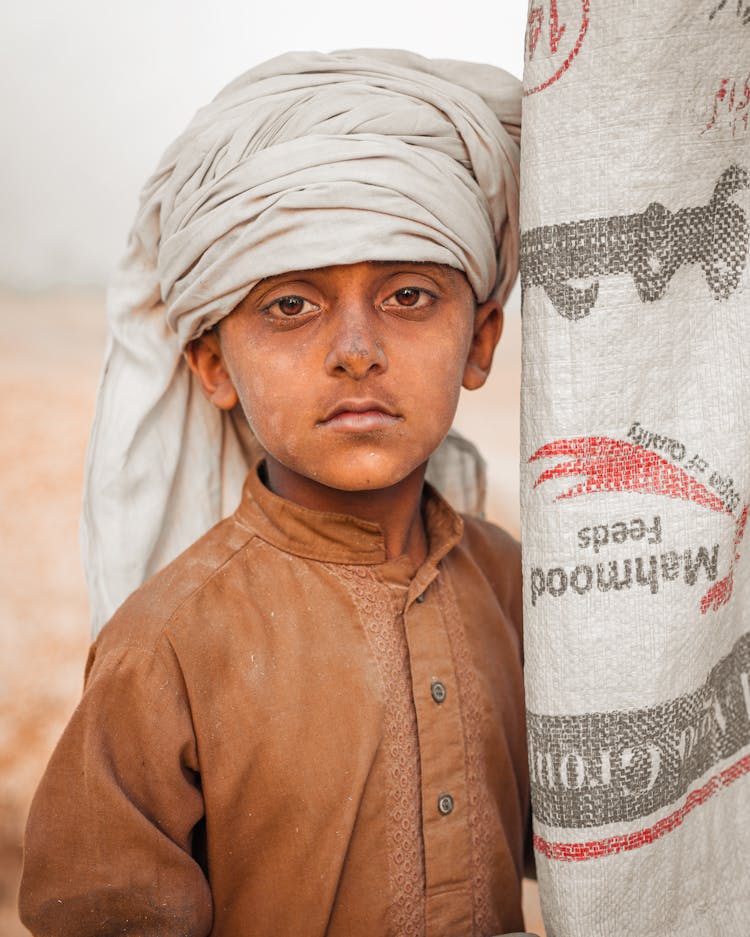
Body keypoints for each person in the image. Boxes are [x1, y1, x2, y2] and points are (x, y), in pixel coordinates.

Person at [19, 50, 528, 936]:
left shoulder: (521, 591)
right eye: (291, 306)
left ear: (480, 340)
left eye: (409, 295)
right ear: (215, 365)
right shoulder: (169, 641)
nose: (356, 350)